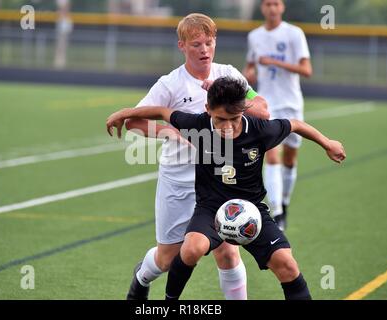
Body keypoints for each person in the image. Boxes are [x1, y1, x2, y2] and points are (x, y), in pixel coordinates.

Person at [106, 76, 346, 300]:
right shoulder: (198, 125)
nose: (228, 126)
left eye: (235, 119)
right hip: (210, 208)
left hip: (252, 211)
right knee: (191, 249)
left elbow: (295, 124)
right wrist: (124, 113)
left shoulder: (260, 131)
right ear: (207, 110)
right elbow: (162, 111)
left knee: (287, 264)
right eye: (221, 119)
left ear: (242, 111)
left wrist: (327, 143)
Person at [119, 13, 269, 300]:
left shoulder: (229, 75)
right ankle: (141, 278)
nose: (204, 50)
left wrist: (224, 96)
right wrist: (169, 133)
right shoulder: (170, 84)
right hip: (179, 181)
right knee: (167, 258)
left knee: (227, 250)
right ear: (182, 46)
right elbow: (134, 122)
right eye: (196, 44)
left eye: (209, 43)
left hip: (220, 181)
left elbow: (262, 110)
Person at [243, 0, 313, 231]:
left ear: (282, 7)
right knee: (271, 156)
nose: (271, 8)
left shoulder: (294, 33)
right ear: (262, 8)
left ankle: (284, 201)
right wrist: (249, 74)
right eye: (267, 4)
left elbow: (306, 70)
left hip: (291, 103)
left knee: (289, 159)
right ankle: (277, 212)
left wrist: (274, 62)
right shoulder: (254, 36)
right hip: (266, 105)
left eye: (276, 3)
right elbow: (250, 67)